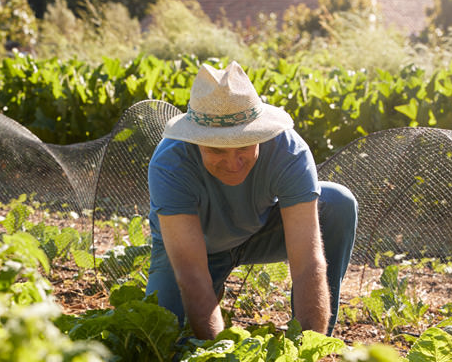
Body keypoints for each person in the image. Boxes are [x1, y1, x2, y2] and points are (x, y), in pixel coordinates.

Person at [146, 61, 357, 339]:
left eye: (244, 147)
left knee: (338, 202)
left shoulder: (288, 151)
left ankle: (312, 339)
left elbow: (308, 263)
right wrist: (216, 357)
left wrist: (308, 355)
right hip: (196, 251)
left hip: (258, 231)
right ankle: (213, 286)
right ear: (196, 142)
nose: (233, 163)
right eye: (217, 150)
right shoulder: (171, 163)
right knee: (162, 339)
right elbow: (191, 274)